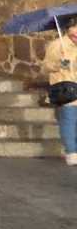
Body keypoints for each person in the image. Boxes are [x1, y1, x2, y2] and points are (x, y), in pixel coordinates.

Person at [44, 17, 77, 165]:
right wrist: (59, 64)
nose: (76, 31)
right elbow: (46, 66)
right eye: (74, 27)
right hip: (66, 89)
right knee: (69, 120)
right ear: (68, 29)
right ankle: (71, 152)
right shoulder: (58, 45)